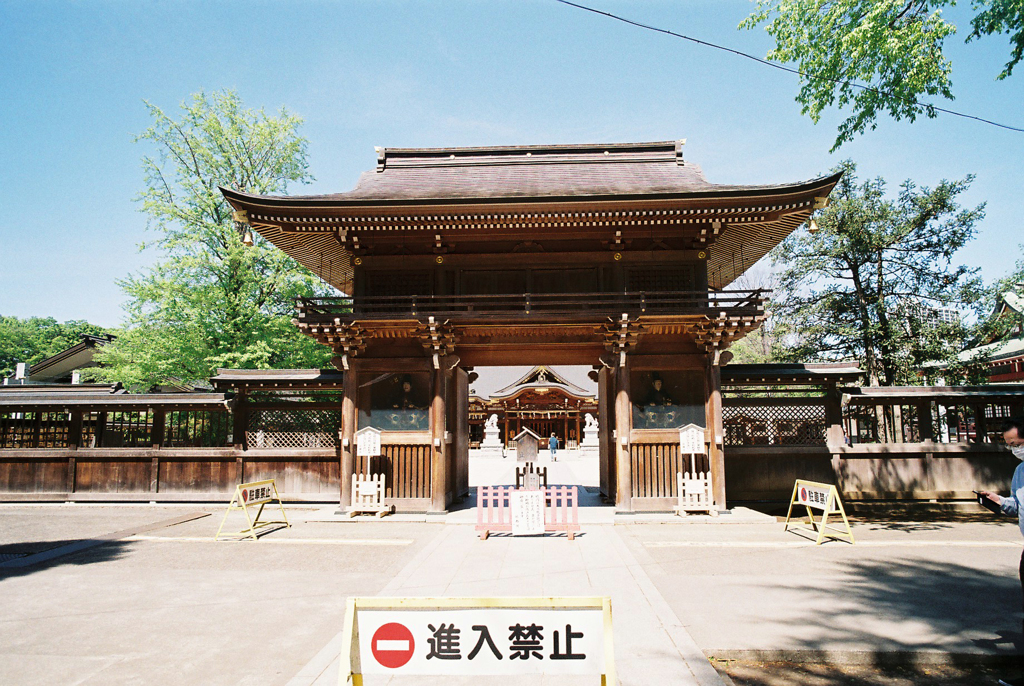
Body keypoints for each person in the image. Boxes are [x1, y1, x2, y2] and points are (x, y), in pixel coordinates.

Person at [978, 416, 1024, 686]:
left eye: (1016, 443)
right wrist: (998, 501)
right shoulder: (1020, 471)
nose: (1013, 449)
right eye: (1009, 445)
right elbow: (1016, 507)